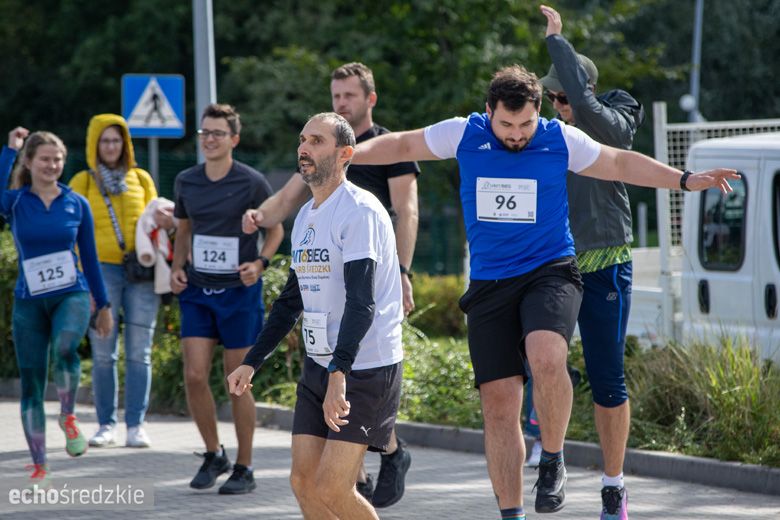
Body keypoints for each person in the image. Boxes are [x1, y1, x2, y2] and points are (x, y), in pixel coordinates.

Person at [348, 65, 738, 519]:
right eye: (507, 125)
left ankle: (552, 457)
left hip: (549, 271)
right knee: (498, 405)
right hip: (491, 283)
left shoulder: (559, 138)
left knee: (547, 355)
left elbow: (617, 162)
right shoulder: (463, 134)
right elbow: (401, 144)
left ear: (538, 114)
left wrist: (686, 179)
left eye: (526, 125)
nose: (517, 135)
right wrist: (348, 152)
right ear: (489, 112)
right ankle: (511, 512)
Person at [242, 62, 418, 507]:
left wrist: (340, 373)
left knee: (332, 489)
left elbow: (361, 303)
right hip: (321, 363)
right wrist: (252, 361)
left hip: (363, 367)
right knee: (303, 484)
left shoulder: (359, 210)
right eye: (302, 139)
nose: (304, 147)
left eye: (316, 140)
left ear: (345, 154)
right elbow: (291, 300)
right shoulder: (306, 216)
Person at [539, 6, 645, 518]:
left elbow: (587, 106)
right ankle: (550, 451)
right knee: (540, 363)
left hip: (605, 261)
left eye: (562, 95)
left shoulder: (616, 114)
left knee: (608, 378)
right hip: (555, 264)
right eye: (551, 97)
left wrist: (557, 41)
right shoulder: (545, 133)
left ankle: (613, 485)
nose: (556, 105)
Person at [171, 103, 283, 494]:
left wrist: (260, 263)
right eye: (204, 133)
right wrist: (176, 266)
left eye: (217, 133)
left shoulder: (252, 182)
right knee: (195, 374)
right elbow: (183, 231)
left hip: (239, 294)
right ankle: (213, 452)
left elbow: (275, 231)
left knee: (238, 382)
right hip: (199, 291)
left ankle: (244, 467)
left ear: (234, 139)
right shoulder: (187, 180)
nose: (210, 139)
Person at [1, 127, 113, 485]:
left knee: (66, 346)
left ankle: (67, 416)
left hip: (72, 293)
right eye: (45, 159)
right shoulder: (16, 202)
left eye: (58, 159)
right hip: (28, 302)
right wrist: (9, 150)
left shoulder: (75, 203)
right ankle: (39, 464)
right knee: (32, 383)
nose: (52, 165)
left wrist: (104, 304)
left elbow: (91, 259)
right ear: (30, 162)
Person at [69, 114, 160, 449]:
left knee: (140, 351)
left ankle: (136, 424)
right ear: (94, 145)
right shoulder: (83, 182)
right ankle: (106, 423)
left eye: (116, 140)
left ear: (125, 143)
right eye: (104, 140)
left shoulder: (141, 178)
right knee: (104, 351)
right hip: (100, 272)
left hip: (141, 271)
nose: (111, 146)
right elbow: (71, 232)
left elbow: (155, 221)